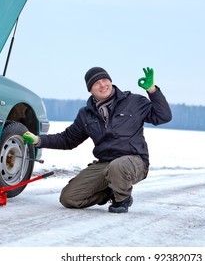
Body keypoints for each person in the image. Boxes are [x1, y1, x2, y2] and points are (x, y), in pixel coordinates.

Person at [22, 67, 172, 213]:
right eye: (96, 83)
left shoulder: (134, 101)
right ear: (90, 89)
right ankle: (111, 191)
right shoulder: (86, 114)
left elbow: (163, 116)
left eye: (105, 80)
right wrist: (38, 140)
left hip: (134, 161)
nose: (102, 85)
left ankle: (122, 199)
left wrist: (152, 90)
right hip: (105, 164)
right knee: (69, 198)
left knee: (117, 167)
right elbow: (67, 139)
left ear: (111, 81)